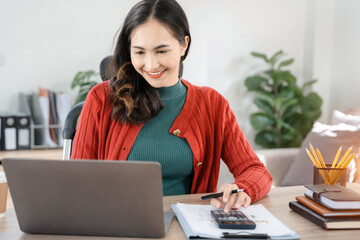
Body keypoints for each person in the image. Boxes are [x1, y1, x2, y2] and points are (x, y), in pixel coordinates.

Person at [71, 0, 272, 213]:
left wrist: (242, 190)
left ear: (183, 45)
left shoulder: (213, 105)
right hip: (118, 224)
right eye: (139, 52)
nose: (150, 65)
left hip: (188, 227)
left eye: (161, 51)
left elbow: (256, 170)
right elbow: (76, 180)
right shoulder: (101, 99)